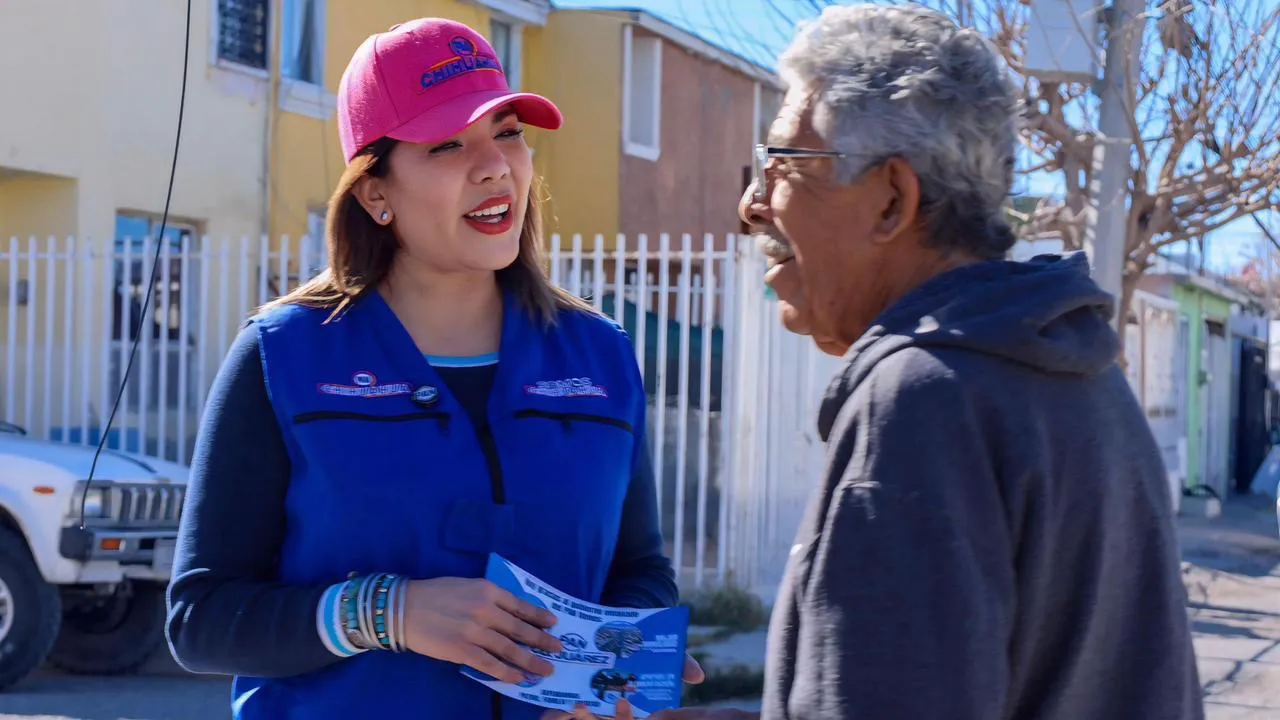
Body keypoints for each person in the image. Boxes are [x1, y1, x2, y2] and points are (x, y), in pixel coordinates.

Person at [600, 5, 1204, 720]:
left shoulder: (923, 401)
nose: (751, 206)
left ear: (892, 199)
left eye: (784, 164)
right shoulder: (1076, 374)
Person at [165, 17, 700, 719]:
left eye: (508, 132)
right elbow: (201, 619)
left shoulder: (600, 354)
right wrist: (387, 612)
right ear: (374, 192)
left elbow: (640, 572)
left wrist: (618, 664)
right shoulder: (284, 354)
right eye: (449, 144)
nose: (496, 165)